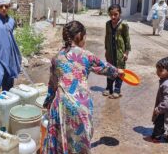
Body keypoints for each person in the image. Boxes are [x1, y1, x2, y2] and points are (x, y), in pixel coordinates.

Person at [42, 21, 124, 154]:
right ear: (80, 35)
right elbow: (105, 68)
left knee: (61, 138)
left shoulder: (56, 58)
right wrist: (118, 72)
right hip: (81, 105)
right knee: (79, 141)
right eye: (85, 36)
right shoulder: (86, 55)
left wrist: (48, 102)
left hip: (61, 104)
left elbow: (52, 84)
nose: (85, 40)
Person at [148, 57, 168, 143]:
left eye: (160, 70)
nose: (157, 72)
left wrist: (159, 109)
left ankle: (155, 137)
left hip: (165, 110)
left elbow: (167, 101)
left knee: (159, 123)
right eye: (157, 70)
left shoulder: (167, 84)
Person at [103, 4, 131, 99]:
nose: (113, 17)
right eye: (111, 14)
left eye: (116, 14)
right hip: (110, 52)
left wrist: (126, 52)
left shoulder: (124, 25)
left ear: (120, 13)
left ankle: (117, 90)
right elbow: (107, 37)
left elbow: (127, 39)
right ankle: (109, 88)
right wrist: (106, 50)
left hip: (120, 53)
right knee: (110, 70)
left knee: (120, 71)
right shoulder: (107, 24)